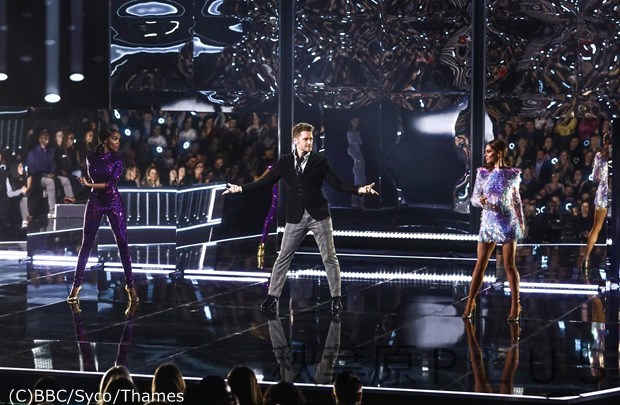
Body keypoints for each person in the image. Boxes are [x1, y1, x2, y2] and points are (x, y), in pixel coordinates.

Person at [223, 122, 378, 315]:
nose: (309, 142)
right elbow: (265, 181)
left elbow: (337, 183)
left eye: (311, 139)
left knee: (330, 258)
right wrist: (240, 188)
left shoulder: (320, 161)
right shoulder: (285, 162)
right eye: (306, 139)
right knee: (283, 257)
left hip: (319, 215)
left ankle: (336, 299)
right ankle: (272, 297)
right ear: (296, 140)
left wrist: (360, 190)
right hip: (295, 216)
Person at [67, 129, 139, 303]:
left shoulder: (117, 160)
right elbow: (91, 185)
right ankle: (76, 285)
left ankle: (130, 285)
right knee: (87, 243)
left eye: (119, 139)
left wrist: (89, 184)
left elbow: (109, 184)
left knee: (122, 242)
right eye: (115, 139)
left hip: (113, 202)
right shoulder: (91, 158)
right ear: (106, 140)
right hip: (95, 202)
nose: (118, 142)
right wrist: (75, 197)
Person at [462, 139, 525, 322]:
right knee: (480, 264)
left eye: (489, 151)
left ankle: (515, 304)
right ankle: (470, 303)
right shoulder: (482, 173)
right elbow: (474, 198)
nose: (485, 154)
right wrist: (480, 201)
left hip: (507, 222)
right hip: (488, 222)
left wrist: (521, 223)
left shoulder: (512, 174)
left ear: (499, 153)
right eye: (486, 151)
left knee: (509, 265)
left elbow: (516, 200)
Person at [26, 129, 75, 218]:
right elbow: (33, 170)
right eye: (44, 138)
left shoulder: (51, 151)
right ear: (40, 139)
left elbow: (53, 164)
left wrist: (52, 172)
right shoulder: (33, 153)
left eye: (48, 138)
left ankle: (71, 203)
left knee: (65, 180)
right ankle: (52, 209)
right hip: (39, 177)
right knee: (50, 182)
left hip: (50, 175)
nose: (47, 139)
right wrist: (46, 175)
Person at [582, 132, 611, 269]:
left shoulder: (600, 156)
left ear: (605, 142)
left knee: (596, 228)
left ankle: (586, 258)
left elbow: (595, 178)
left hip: (603, 195)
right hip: (615, 194)